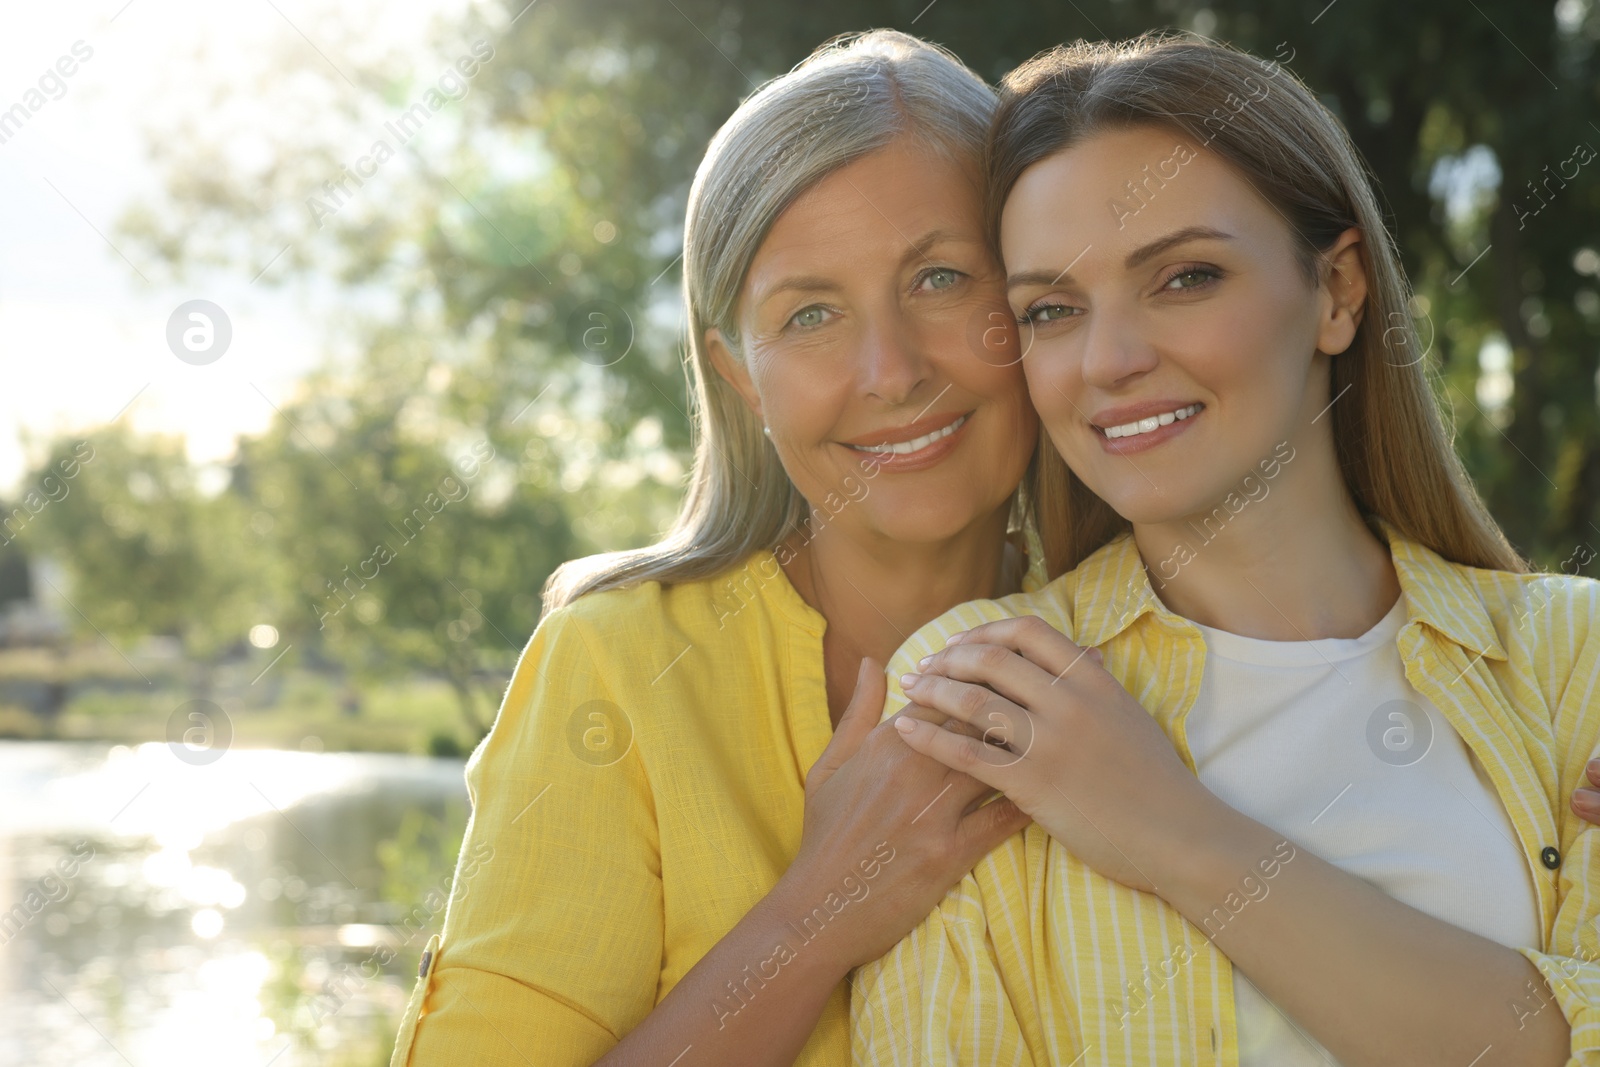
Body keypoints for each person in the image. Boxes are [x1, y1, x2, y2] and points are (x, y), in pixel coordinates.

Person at [853, 34, 1600, 1067]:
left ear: (1337, 291)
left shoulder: (1574, 658)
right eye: (1051, 310)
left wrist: (1174, 832)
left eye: (1183, 277)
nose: (1109, 360)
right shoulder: (979, 684)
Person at [389, 30, 1045, 1067]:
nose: (889, 370)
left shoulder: (1153, 631)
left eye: (940, 278)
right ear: (738, 374)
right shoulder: (617, 666)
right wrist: (819, 912)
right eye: (811, 313)